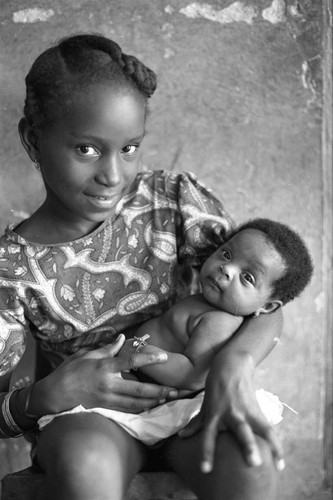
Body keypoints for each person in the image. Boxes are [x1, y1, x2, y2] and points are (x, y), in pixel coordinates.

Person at [0, 33, 289, 500]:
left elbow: (266, 297)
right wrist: (45, 396)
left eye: (129, 148)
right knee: (85, 464)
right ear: (33, 140)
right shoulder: (11, 269)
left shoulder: (169, 201)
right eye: (87, 150)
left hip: (194, 402)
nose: (113, 175)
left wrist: (234, 366)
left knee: (252, 462)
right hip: (91, 417)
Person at [38, 217, 313, 446]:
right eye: (227, 254)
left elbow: (191, 374)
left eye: (248, 277)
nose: (226, 269)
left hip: (150, 396)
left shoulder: (220, 320)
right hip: (138, 379)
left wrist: (134, 349)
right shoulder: (203, 301)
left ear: (268, 306)